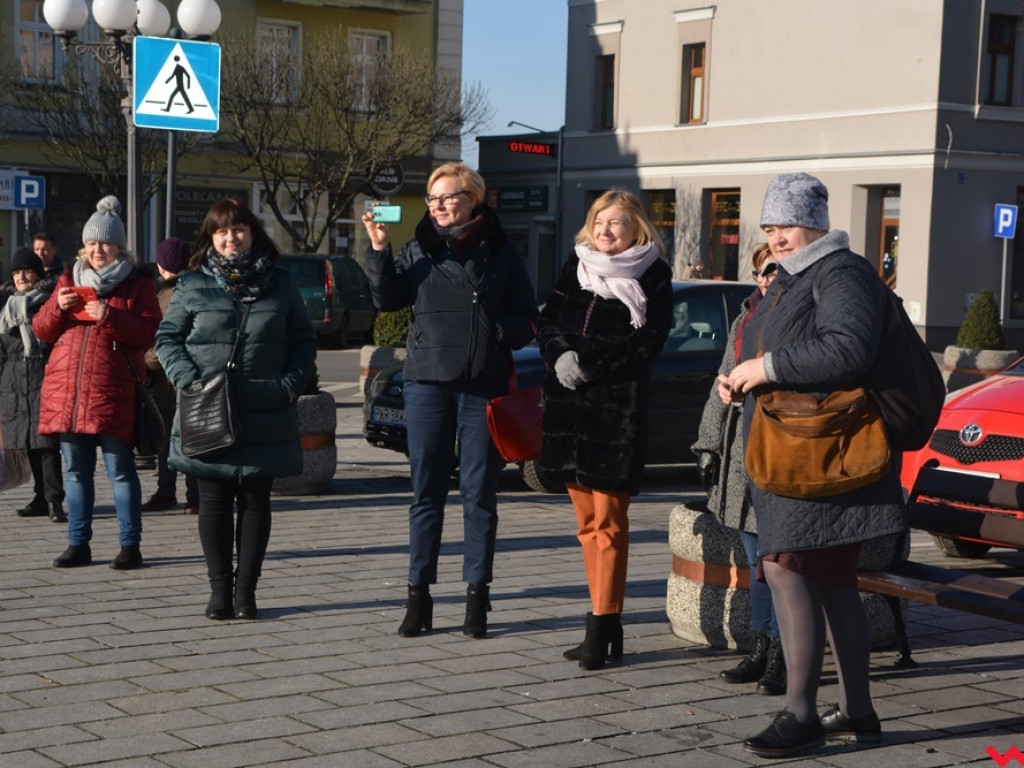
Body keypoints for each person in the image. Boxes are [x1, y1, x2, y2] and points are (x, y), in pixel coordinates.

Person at [721, 173, 906, 758]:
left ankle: (800, 713)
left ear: (816, 224)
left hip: (825, 455)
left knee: (786, 568)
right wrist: (741, 377)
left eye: (786, 224)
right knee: (830, 581)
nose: (775, 236)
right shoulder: (794, 275)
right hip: (801, 450)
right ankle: (857, 712)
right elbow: (770, 348)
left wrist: (767, 368)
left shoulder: (841, 271)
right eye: (770, 225)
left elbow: (849, 348)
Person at [361, 162, 538, 639]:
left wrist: (502, 332)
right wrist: (379, 248)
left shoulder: (500, 250)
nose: (437, 206)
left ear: (472, 199)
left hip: (482, 383)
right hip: (427, 384)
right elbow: (387, 300)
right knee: (426, 494)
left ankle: (477, 600)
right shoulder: (419, 247)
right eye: (433, 198)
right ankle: (418, 598)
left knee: (480, 496)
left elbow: (528, 316)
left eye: (447, 197)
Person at [156, 198, 316, 621]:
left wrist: (289, 387)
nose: (231, 238)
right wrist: (188, 380)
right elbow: (167, 338)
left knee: (256, 500)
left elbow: (303, 340)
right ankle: (219, 592)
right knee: (212, 499)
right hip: (207, 407)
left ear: (253, 233)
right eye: (222, 231)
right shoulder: (192, 283)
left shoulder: (280, 281)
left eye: (239, 229)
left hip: (265, 406)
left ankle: (246, 592)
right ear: (211, 237)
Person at [537, 189, 673, 670]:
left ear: (637, 227)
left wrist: (589, 364)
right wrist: (560, 355)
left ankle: (603, 621)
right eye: (599, 221)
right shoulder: (575, 267)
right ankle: (602, 627)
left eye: (615, 222)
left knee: (610, 526)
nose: (605, 230)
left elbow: (647, 344)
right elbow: (547, 322)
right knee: (585, 526)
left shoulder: (653, 275)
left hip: (615, 418)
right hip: (569, 416)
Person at [33, 196, 161, 570]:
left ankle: (129, 545)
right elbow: (41, 329)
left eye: (105, 243)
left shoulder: (138, 286)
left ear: (120, 246)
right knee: (75, 471)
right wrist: (59, 306)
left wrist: (109, 316)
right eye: (91, 243)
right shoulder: (67, 278)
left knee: (120, 470)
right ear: (83, 246)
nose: (97, 250)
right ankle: (78, 543)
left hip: (113, 392)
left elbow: (149, 332)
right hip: (68, 394)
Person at [691, 244, 785, 695]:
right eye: (759, 272)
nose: (764, 279)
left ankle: (787, 652)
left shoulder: (795, 317)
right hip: (742, 454)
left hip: (781, 454)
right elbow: (721, 380)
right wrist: (708, 443)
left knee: (780, 561)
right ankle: (763, 644)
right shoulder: (745, 317)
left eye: (772, 270)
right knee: (756, 561)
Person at [0, 248, 65, 523]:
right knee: (27, 445)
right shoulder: (6, 307)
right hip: (14, 384)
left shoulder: (48, 302)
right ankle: (40, 497)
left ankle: (54, 500)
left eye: (26, 270)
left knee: (47, 445)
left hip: (43, 378)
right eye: (16, 272)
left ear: (37, 273)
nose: (21, 276)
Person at [142, 237, 199, 515]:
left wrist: (146, 362)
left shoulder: (167, 295)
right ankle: (192, 494)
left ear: (162, 265)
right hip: (189, 377)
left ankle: (172, 491)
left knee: (169, 438)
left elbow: (163, 343)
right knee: (189, 437)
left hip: (170, 380)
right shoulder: (195, 288)